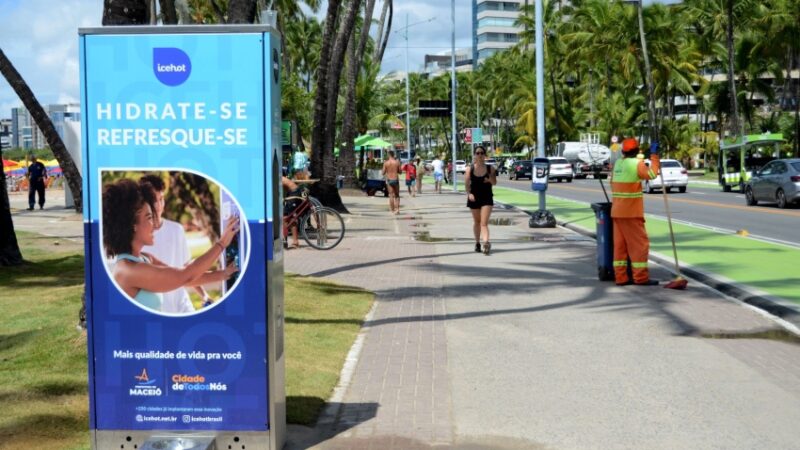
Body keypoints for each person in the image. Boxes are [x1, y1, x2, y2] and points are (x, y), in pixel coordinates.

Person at [102, 179, 239, 311]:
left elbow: (185, 279)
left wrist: (222, 274)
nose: (154, 224)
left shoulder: (145, 258)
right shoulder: (128, 271)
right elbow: (185, 275)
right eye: (149, 217)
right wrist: (222, 243)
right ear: (133, 226)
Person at [138, 175, 210, 313]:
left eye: (161, 199)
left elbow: (187, 269)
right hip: (156, 309)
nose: (159, 206)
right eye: (154, 200)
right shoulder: (138, 238)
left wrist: (204, 294)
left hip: (182, 305)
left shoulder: (176, 230)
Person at [610, 138, 661, 286]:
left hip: (617, 211)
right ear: (637, 151)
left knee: (620, 247)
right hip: (631, 212)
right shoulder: (636, 164)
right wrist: (655, 157)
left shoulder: (618, 164)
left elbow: (612, 182)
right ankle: (640, 278)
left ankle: (621, 277)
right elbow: (652, 174)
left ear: (623, 151)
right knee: (639, 245)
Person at [465, 146, 497, 255]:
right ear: (474, 155)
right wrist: (469, 194)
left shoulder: (490, 168)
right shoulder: (470, 169)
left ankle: (486, 243)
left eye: (482, 153)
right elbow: (467, 185)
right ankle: (477, 243)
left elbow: (494, 182)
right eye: (477, 153)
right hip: (474, 198)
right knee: (477, 222)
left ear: (484, 155)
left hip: (487, 197)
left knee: (484, 223)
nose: (479, 155)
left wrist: (489, 179)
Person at [282, 176, 301, 249]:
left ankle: (292, 242)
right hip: (293, 192)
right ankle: (289, 241)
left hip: (294, 193)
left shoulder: (277, 177)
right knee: (288, 218)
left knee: (286, 218)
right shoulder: (281, 177)